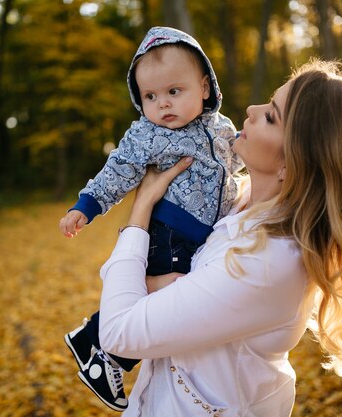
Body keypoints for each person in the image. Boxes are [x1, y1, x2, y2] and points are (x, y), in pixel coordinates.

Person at [97, 59, 342, 417]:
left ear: (295, 161)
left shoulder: (271, 260)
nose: (252, 110)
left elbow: (116, 331)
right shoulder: (235, 200)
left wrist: (141, 207)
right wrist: (149, 284)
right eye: (267, 103)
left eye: (271, 116)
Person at [59, 27, 243, 411]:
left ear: (205, 87)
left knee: (164, 295)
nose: (162, 105)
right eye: (150, 96)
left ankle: (90, 338)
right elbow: (118, 171)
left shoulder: (223, 129)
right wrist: (87, 205)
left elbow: (236, 161)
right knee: (157, 300)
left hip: (199, 238)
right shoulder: (148, 134)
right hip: (169, 231)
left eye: (174, 91)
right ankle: (105, 354)